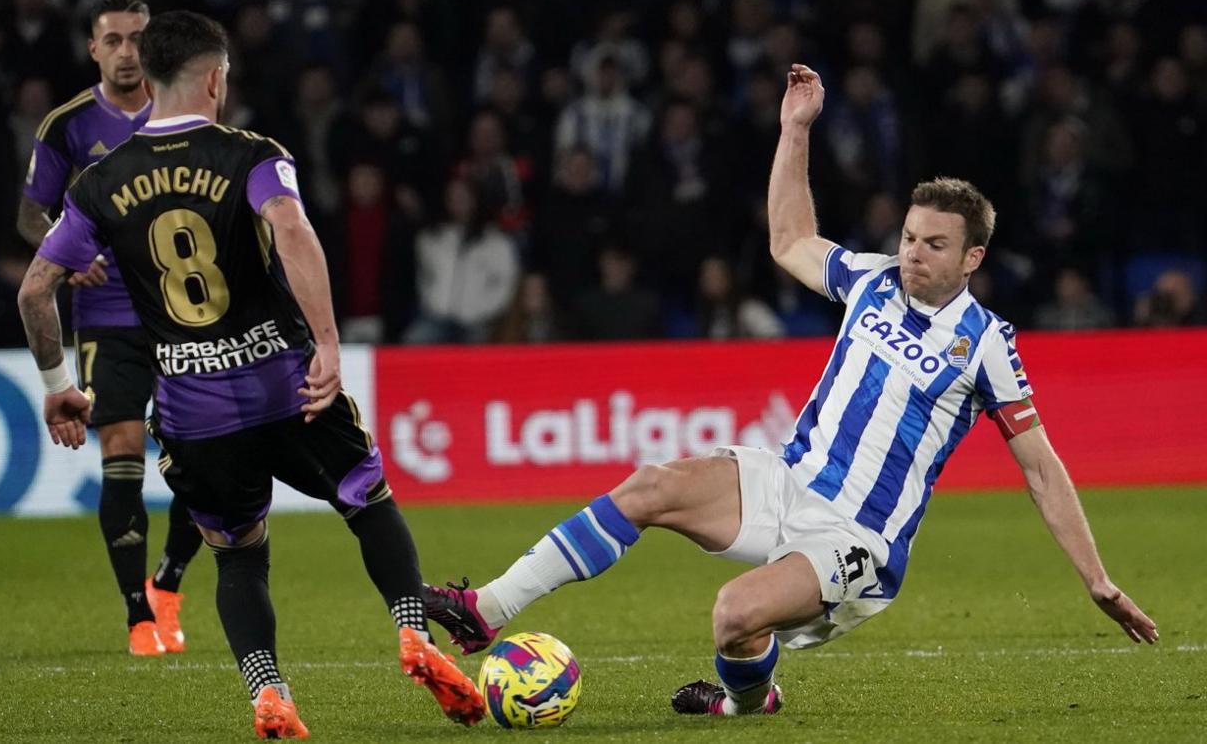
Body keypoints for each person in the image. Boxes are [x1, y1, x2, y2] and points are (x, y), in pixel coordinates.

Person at [422, 64, 1159, 717]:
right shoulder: (872, 279)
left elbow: (1041, 469)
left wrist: (1096, 580)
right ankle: (487, 607)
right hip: (787, 481)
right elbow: (788, 241)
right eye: (909, 236)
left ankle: (745, 702)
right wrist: (796, 130)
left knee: (734, 617)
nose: (912, 253)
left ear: (973, 257)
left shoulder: (988, 344)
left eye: (934, 244)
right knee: (650, 486)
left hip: (856, 538)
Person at [17, 11, 484, 737]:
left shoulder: (99, 182)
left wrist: (58, 388)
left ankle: (270, 694)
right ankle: (413, 632)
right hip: (288, 386)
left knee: (237, 557)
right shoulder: (251, 154)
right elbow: (292, 229)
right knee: (367, 502)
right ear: (214, 79)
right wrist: (327, 343)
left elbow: (34, 290)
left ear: (152, 79)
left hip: (192, 411)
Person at [16, 0, 201, 658]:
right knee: (121, 449)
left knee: (206, 463)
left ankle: (168, 584)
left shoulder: (184, 111)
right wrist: (69, 250)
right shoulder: (67, 124)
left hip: (184, 312)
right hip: (107, 317)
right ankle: (137, 616)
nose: (127, 52)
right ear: (93, 49)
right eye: (114, 40)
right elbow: (30, 216)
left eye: (137, 39)